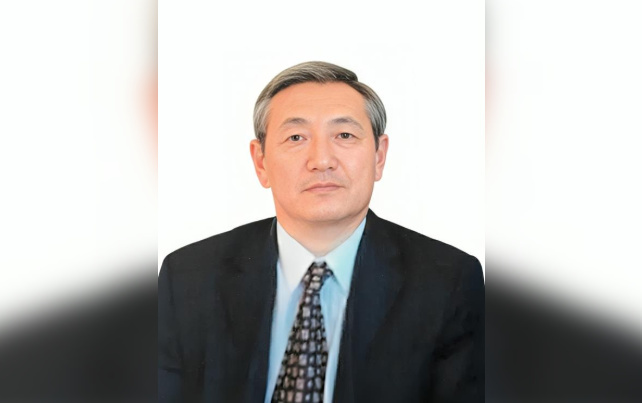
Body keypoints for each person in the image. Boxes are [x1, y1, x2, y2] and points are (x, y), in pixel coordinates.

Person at [158, 61, 484, 403]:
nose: (322, 160)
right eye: (296, 137)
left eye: (344, 135)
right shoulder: (189, 277)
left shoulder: (448, 281)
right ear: (261, 161)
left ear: (379, 156)